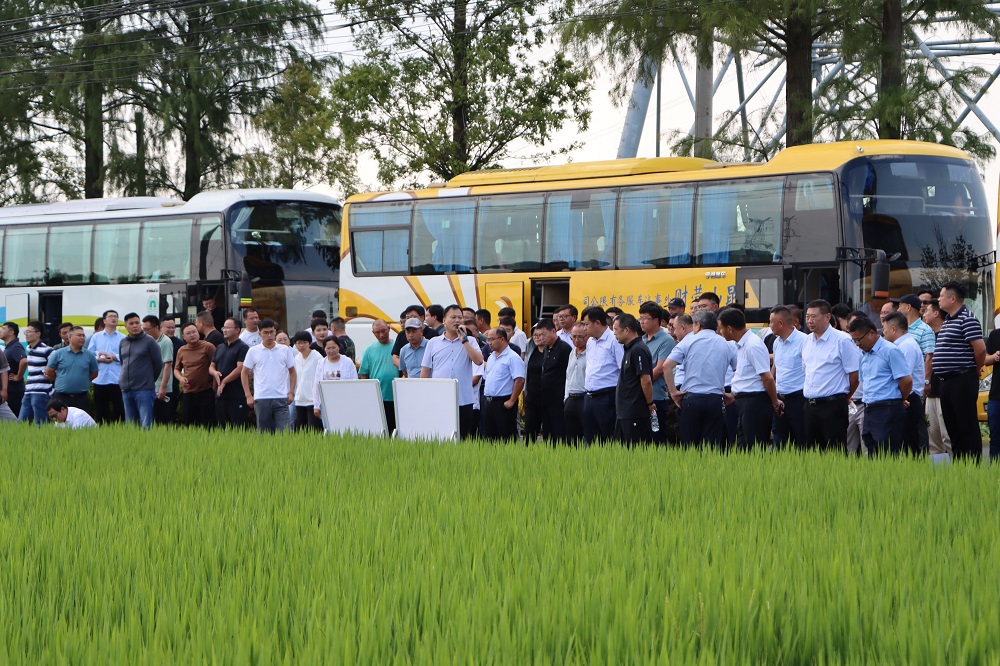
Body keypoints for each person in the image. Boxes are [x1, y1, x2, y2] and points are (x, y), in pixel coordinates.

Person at [664, 310, 736, 448]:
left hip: (691, 399)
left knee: (689, 445)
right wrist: (733, 394)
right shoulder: (726, 344)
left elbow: (666, 366)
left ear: (697, 325)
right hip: (715, 399)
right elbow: (739, 370)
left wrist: (673, 392)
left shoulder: (688, 341)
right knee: (711, 446)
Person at [933, 281, 986, 461]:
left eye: (941, 296)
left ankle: (973, 465)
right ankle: (959, 464)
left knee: (966, 425)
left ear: (953, 298)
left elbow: (980, 349)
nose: (938, 299)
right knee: (953, 426)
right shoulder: (948, 320)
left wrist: (976, 368)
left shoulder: (967, 319)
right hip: (946, 381)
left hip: (962, 378)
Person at [801, 300, 860, 451]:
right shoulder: (807, 340)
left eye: (814, 317)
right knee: (812, 453)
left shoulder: (843, 340)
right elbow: (806, 371)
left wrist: (846, 396)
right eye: (807, 317)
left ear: (827, 317)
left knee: (835, 452)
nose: (809, 321)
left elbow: (855, 375)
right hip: (810, 405)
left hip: (833, 405)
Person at [849, 316, 911, 456]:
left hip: (887, 408)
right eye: (854, 340)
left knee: (887, 452)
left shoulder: (890, 350)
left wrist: (901, 399)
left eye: (859, 339)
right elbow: (865, 382)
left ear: (871, 333)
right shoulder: (863, 355)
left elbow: (906, 380)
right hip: (869, 408)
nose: (857, 344)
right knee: (871, 450)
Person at [719, 308, 780, 449]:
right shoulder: (741, 344)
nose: (720, 332)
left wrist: (775, 402)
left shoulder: (753, 345)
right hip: (744, 402)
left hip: (754, 403)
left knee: (755, 447)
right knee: (744, 448)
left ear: (729, 329)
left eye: (721, 328)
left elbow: (767, 378)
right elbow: (746, 377)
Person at [420, 304, 485, 438]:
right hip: (439, 399)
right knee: (440, 437)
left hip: (464, 399)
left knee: (463, 438)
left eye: (460, 318)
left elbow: (479, 361)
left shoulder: (470, 341)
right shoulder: (433, 342)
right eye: (453, 317)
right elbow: (425, 371)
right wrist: (425, 396)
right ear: (444, 320)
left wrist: (464, 341)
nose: (457, 320)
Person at [882, 311, 928, 455]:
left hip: (908, 398)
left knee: (909, 444)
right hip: (904, 397)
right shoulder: (901, 345)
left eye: (884, 329)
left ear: (893, 329)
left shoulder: (906, 346)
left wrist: (901, 398)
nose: (883, 333)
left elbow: (903, 377)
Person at [241, 319, 297, 433]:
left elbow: (292, 371)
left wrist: (291, 392)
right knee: (264, 434)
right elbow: (244, 372)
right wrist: (248, 395)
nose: (269, 335)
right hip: (261, 397)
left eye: (271, 332)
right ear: (259, 334)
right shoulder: (253, 351)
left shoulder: (284, 350)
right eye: (265, 333)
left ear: (275, 332)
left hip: (281, 397)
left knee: (285, 432)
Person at [522, 319, 571, 443]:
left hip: (557, 399)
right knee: (544, 434)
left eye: (544, 334)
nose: (541, 338)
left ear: (554, 331)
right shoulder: (546, 349)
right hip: (540, 398)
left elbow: (569, 374)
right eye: (538, 335)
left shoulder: (564, 348)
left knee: (557, 434)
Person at [581, 306, 623, 444]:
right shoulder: (590, 342)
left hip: (607, 396)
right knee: (590, 438)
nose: (584, 328)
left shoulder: (614, 340)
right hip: (589, 396)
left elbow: (623, 369)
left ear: (597, 323)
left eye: (586, 324)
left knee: (608, 437)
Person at [611, 314, 655, 446]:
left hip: (635, 410)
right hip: (625, 411)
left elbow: (646, 380)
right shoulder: (629, 349)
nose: (614, 333)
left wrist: (650, 403)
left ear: (627, 330)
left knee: (636, 450)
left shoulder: (638, 349)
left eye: (616, 329)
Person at [769, 305, 807, 449]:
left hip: (799, 399)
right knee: (779, 442)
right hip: (780, 400)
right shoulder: (776, 342)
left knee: (801, 442)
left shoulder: (804, 341)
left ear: (781, 323)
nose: (769, 325)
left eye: (771, 322)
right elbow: (776, 367)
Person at [118, 312, 164, 429]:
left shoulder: (149, 341)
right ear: (126, 326)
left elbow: (158, 364)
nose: (135, 326)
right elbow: (123, 363)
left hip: (144, 389)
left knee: (146, 425)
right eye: (131, 323)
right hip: (126, 390)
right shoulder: (123, 342)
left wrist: (148, 380)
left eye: (137, 323)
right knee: (131, 426)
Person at [638, 302, 675, 444]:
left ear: (656, 320)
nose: (641, 322)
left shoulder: (666, 340)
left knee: (657, 438)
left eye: (645, 318)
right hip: (640, 396)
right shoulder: (641, 340)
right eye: (640, 318)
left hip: (656, 397)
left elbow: (660, 369)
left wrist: (642, 382)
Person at [480, 327, 525, 440]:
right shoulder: (491, 357)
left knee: (506, 437)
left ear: (502, 339)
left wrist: (512, 401)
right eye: (488, 340)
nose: (489, 343)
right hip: (488, 402)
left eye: (492, 339)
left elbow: (519, 380)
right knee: (489, 438)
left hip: (503, 402)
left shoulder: (513, 357)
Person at [922, 299, 951, 456]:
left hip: (944, 392)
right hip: (930, 393)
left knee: (948, 436)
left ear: (936, 313)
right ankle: (938, 470)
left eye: (927, 310)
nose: (924, 314)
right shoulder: (929, 336)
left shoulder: (948, 335)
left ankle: (958, 468)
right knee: (932, 440)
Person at [44, 326, 98, 412]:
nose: (82, 338)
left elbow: (94, 373)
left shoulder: (89, 355)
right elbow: (49, 371)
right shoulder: (58, 353)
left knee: (80, 419)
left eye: (83, 335)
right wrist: (60, 379)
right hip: (62, 396)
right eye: (79, 335)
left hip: (81, 397)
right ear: (70, 337)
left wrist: (83, 380)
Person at [359, 320, 399, 434]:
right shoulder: (369, 350)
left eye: (383, 331)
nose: (381, 335)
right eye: (377, 332)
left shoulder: (397, 347)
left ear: (389, 329)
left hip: (396, 396)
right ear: (373, 333)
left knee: (395, 429)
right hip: (378, 397)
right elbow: (363, 374)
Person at [174, 322, 217, 428]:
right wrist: (181, 378)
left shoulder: (208, 347)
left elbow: (216, 366)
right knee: (190, 424)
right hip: (188, 393)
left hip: (206, 391)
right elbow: (176, 369)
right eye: (188, 333)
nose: (192, 335)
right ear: (183, 336)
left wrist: (214, 387)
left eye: (194, 332)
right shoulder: (182, 350)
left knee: (207, 425)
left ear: (198, 333)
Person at [211, 318, 251, 428]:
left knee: (238, 428)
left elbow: (240, 368)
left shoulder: (243, 347)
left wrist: (225, 381)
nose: (225, 330)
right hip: (220, 394)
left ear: (237, 330)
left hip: (236, 394)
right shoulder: (220, 347)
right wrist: (215, 373)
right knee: (222, 427)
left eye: (228, 327)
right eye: (224, 327)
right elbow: (212, 366)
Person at [87, 310, 126, 423]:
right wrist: (99, 358)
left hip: (117, 379)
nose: (113, 318)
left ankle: (121, 430)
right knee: (101, 410)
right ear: (104, 320)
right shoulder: (96, 337)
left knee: (119, 409)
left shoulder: (123, 338)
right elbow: (90, 354)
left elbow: (127, 355)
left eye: (115, 316)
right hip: (100, 378)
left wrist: (114, 357)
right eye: (110, 316)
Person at [312, 336, 359, 424]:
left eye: (334, 347)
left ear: (339, 347)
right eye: (328, 348)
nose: (331, 351)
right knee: (329, 426)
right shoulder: (321, 363)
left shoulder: (347, 362)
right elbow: (316, 385)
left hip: (345, 401)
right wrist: (316, 405)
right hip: (326, 402)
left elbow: (354, 382)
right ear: (324, 349)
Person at [141, 315, 176, 426]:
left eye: (147, 329)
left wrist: (163, 387)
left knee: (162, 420)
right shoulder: (147, 341)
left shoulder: (165, 342)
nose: (144, 332)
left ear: (156, 328)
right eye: (143, 329)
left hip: (161, 387)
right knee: (151, 420)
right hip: (149, 385)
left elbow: (168, 365)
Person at [18, 321, 54, 425]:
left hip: (41, 392)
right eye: (26, 332)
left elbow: (55, 367)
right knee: (21, 422)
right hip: (28, 391)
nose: (26, 335)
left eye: (29, 332)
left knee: (40, 423)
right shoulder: (28, 349)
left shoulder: (47, 350)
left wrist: (48, 374)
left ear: (38, 333)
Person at [894, 294, 935, 384]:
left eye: (900, 306)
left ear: (908, 307)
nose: (898, 310)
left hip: (915, 383)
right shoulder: (901, 329)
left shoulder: (925, 330)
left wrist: (926, 381)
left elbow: (929, 357)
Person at [290, 331, 323, 430]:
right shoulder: (296, 358)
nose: (301, 345)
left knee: (314, 429)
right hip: (299, 399)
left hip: (313, 400)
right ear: (295, 344)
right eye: (299, 343)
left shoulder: (317, 357)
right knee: (301, 429)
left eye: (304, 342)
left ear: (309, 343)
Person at [563, 322, 588, 444]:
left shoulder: (591, 354)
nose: (576, 340)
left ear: (587, 336)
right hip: (571, 399)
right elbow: (568, 376)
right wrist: (566, 398)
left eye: (580, 337)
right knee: (571, 438)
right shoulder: (572, 352)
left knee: (588, 435)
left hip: (584, 397)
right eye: (574, 336)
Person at [2, 322, 28, 417]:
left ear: (11, 332)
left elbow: (24, 361)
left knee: (14, 418)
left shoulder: (15, 346)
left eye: (3, 329)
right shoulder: (8, 347)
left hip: (14, 390)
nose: (1, 331)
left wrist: (18, 376)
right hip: (9, 390)